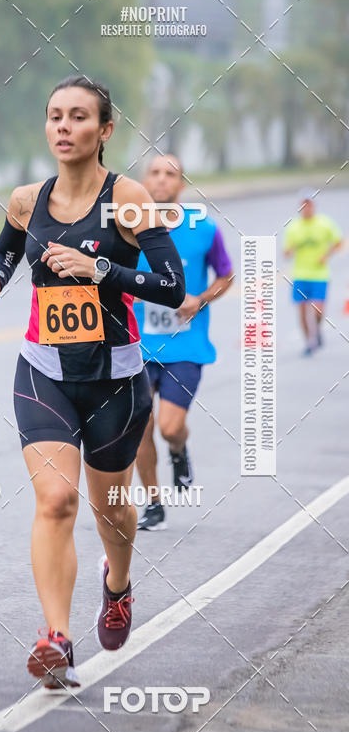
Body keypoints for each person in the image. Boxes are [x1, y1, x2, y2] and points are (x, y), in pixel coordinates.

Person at [0, 76, 185, 689]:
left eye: (78, 116)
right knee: (56, 500)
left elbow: (172, 287)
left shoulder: (130, 199)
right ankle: (56, 637)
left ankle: (117, 585)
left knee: (109, 507)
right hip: (45, 373)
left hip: (115, 379)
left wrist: (102, 268)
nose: (63, 126)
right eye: (54, 115)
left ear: (105, 131)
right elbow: (0, 269)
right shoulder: (25, 200)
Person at [134, 155, 233, 531]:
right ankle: (154, 504)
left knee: (170, 427)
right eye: (154, 173)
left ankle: (178, 450)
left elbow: (226, 275)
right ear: (144, 180)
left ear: (181, 184)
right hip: (138, 345)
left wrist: (200, 299)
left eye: (170, 174)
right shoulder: (127, 228)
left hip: (185, 345)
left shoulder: (203, 228)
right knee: (140, 426)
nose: (161, 180)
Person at [283, 189, 342, 357]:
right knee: (301, 311)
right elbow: (286, 253)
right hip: (300, 275)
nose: (306, 208)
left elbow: (339, 242)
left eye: (309, 204)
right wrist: (290, 251)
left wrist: (327, 255)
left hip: (319, 275)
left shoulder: (324, 223)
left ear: (313, 206)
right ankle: (309, 341)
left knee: (318, 310)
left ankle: (317, 330)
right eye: (303, 205)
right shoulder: (294, 227)